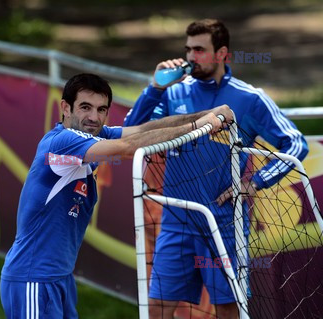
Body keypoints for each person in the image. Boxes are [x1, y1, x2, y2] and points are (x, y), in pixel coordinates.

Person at [0, 73, 233, 318]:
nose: (94, 117)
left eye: (101, 109)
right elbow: (128, 148)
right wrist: (199, 126)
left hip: (58, 277)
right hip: (33, 279)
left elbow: (144, 129)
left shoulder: (94, 136)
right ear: (65, 108)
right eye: (85, 107)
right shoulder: (63, 141)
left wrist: (204, 114)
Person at [123, 19, 309, 319]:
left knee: (228, 310)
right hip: (175, 222)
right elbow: (129, 133)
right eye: (188, 49)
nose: (191, 57)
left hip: (225, 225)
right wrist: (155, 87)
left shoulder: (249, 98)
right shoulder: (173, 94)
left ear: (222, 53)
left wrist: (255, 182)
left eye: (200, 49)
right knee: (156, 310)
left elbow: (296, 145)